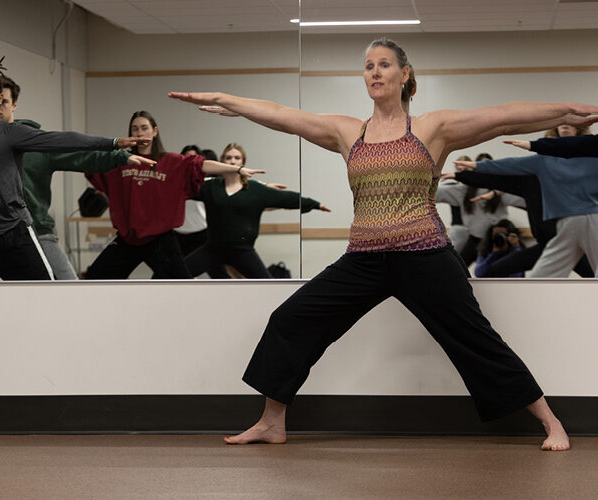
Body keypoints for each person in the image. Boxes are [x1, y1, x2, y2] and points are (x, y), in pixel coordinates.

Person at [169, 37, 598, 450]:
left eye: (384, 65)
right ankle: (271, 422)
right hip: (364, 259)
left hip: (426, 255)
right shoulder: (347, 132)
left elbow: (504, 115)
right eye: (369, 66)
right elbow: (281, 114)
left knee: (475, 340)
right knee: (291, 320)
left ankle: (549, 420)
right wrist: (230, 101)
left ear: (404, 74)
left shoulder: (432, 128)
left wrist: (570, 111)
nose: (375, 72)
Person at [0, 51, 145, 281]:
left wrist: (113, 144)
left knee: (43, 295)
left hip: (12, 235)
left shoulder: (11, 134)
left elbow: (64, 140)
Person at [0, 75, 155, 279]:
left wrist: (120, 156)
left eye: (4, 102)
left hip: (37, 231)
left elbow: (81, 153)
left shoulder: (37, 145)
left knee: (69, 287)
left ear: (14, 104)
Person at [84, 111, 264, 279]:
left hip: (160, 240)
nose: (140, 133)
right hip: (128, 239)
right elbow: (89, 161)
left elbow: (202, 165)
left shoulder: (171, 162)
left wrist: (237, 169)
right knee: (94, 278)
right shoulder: (120, 161)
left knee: (180, 285)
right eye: (135, 129)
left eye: (144, 128)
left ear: (155, 131)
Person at [455, 137, 598, 277]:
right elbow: (502, 173)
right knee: (497, 272)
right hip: (550, 243)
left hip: (570, 233)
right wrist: (462, 175)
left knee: (589, 273)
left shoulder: (575, 173)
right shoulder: (532, 176)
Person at [184, 142, 330, 279]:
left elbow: (286, 197)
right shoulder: (211, 187)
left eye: (237, 158)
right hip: (212, 249)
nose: (232, 161)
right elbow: (182, 190)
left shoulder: (255, 189)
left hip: (242, 251)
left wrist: (314, 204)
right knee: (178, 274)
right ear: (222, 161)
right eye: (228, 158)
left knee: (268, 284)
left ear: (242, 163)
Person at [436, 153, 526, 267]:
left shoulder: (500, 189)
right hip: (475, 237)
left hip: (495, 238)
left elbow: (522, 198)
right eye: (481, 166)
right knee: (459, 267)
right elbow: (436, 193)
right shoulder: (464, 190)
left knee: (500, 269)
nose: (484, 171)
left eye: (488, 167)